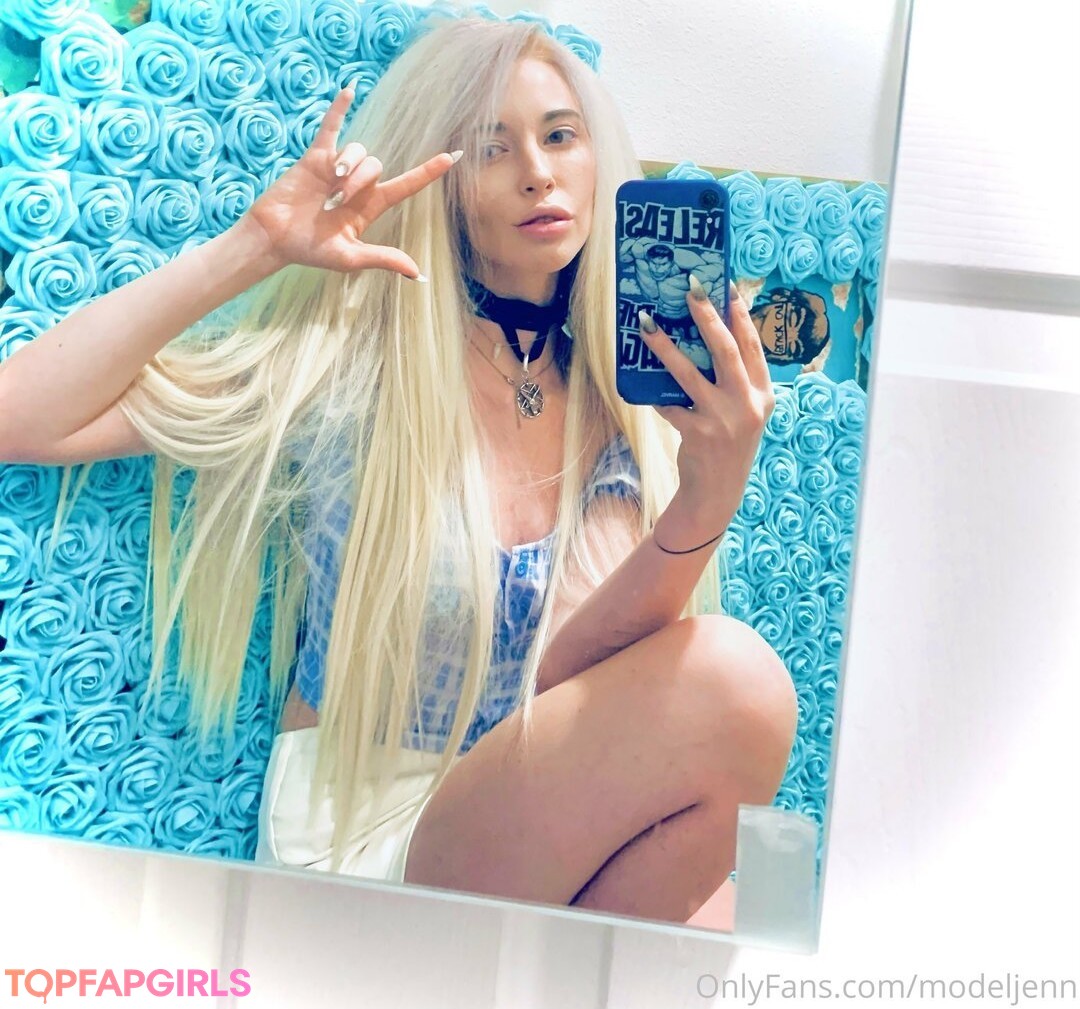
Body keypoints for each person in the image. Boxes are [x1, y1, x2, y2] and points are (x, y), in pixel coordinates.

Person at [0, 16, 796, 925]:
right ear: (442, 182)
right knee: (737, 683)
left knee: (757, 912)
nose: (537, 171)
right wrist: (255, 246)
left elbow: (563, 685)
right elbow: (19, 417)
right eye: (493, 149)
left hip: (536, 822)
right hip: (361, 837)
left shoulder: (624, 418)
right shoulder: (349, 362)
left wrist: (706, 498)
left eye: (560, 136)